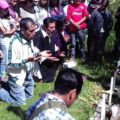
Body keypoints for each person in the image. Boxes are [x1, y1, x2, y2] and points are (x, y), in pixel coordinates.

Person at [0, 18, 53, 106]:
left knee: (29, 95)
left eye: (34, 30)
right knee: (20, 102)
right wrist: (29, 59)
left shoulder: (29, 38)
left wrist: (40, 54)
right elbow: (12, 64)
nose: (34, 33)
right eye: (31, 31)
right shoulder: (14, 43)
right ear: (23, 30)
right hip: (15, 74)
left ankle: (9, 87)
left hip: (26, 72)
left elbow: (31, 52)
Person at [34, 17, 65, 83]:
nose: (54, 29)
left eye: (54, 27)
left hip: (52, 63)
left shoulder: (53, 32)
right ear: (44, 27)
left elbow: (53, 46)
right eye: (51, 27)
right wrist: (47, 58)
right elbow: (36, 53)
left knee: (51, 78)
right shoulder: (37, 36)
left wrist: (57, 53)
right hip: (42, 65)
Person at [0, 0, 18, 81]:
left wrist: (14, 27)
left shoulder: (9, 16)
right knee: (4, 60)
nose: (6, 10)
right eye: (4, 9)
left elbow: (15, 23)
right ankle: (2, 77)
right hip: (4, 42)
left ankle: (12, 75)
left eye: (7, 8)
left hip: (12, 41)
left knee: (12, 58)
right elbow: (5, 32)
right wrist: (14, 28)